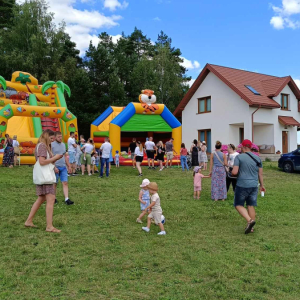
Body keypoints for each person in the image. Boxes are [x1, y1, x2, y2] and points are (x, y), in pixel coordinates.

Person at [25, 130, 63, 233]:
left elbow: (44, 162)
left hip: (42, 177)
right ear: (46, 136)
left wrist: (54, 162)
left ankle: (29, 221)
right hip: (46, 178)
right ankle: (49, 226)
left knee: (41, 199)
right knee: (51, 199)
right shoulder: (42, 146)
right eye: (51, 139)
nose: (52, 141)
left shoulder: (42, 146)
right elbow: (42, 162)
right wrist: (54, 157)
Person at [231, 139, 265, 234]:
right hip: (254, 185)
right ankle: (251, 227)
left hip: (242, 185)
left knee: (238, 205)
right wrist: (262, 185)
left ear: (243, 147)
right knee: (250, 205)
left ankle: (250, 221)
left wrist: (231, 172)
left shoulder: (239, 157)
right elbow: (260, 174)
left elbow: (234, 172)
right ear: (250, 147)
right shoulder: (257, 158)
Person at [51, 131, 74, 205]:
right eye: (59, 137)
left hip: (63, 167)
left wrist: (69, 166)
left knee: (65, 182)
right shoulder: (51, 145)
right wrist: (54, 167)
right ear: (55, 137)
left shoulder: (63, 145)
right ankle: (53, 198)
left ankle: (67, 199)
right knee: (55, 183)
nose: (60, 138)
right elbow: (51, 157)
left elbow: (65, 156)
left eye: (61, 136)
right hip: (55, 166)